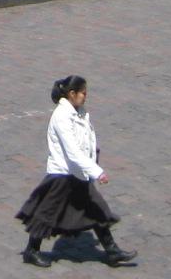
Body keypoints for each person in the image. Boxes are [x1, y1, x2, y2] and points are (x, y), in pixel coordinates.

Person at [16, 76, 136, 269]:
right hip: (62, 175)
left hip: (78, 173)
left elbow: (87, 139)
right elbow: (72, 152)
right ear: (72, 94)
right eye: (83, 93)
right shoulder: (62, 116)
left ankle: (112, 251)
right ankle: (31, 250)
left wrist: (92, 160)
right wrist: (96, 171)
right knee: (46, 214)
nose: (85, 97)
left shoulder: (79, 112)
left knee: (97, 208)